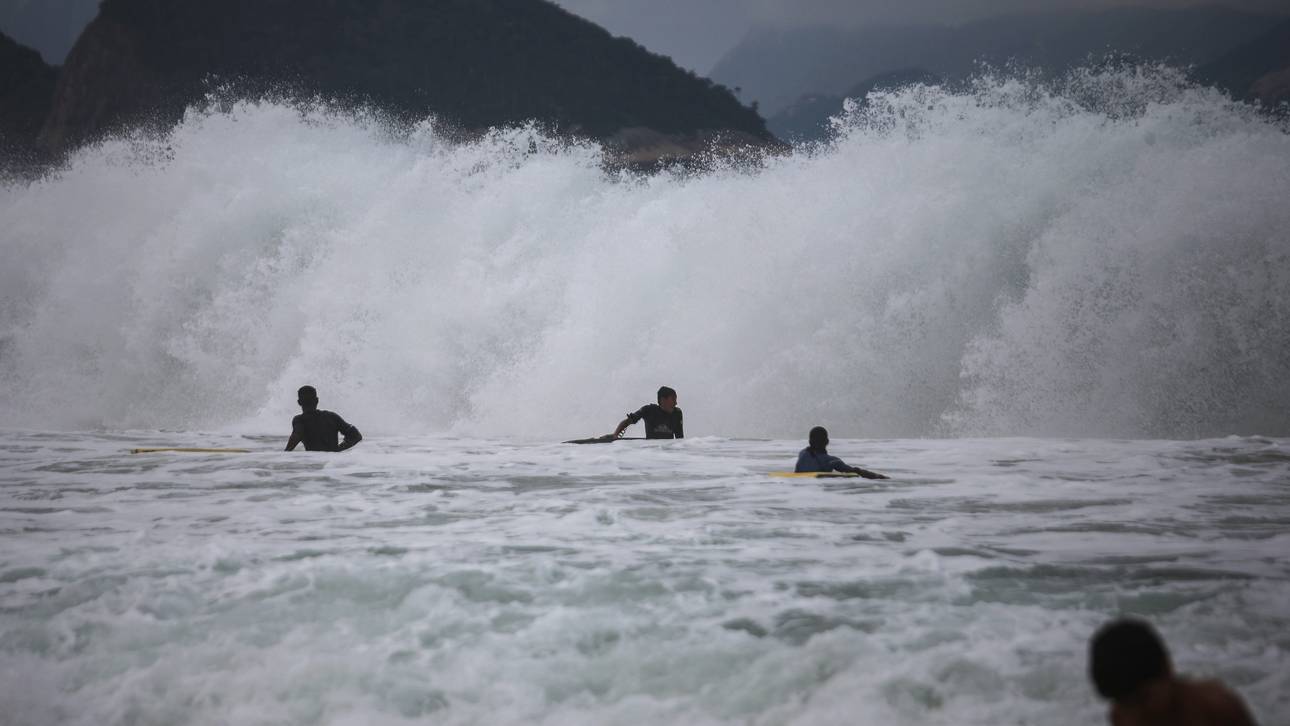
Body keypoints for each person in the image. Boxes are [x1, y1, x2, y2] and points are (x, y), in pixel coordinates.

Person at [1089, 618, 1258, 726]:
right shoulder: (1120, 715)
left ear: (1167, 669)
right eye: (1124, 703)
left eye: (1142, 698)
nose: (1136, 712)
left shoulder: (1216, 707)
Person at [285, 385, 362, 452]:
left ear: (299, 402)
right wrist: (338, 449)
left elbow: (297, 435)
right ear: (317, 400)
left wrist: (285, 453)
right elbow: (356, 436)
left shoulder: (300, 420)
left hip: (314, 463)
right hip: (331, 464)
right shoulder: (332, 417)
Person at [794, 426, 887, 478]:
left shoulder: (802, 454)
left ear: (810, 441)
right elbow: (855, 472)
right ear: (827, 442)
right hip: (819, 489)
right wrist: (879, 477)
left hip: (800, 487)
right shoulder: (831, 461)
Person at [611, 386, 683, 439]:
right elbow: (628, 421)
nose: (676, 403)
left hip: (669, 453)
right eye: (673, 399)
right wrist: (615, 435)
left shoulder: (677, 413)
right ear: (663, 400)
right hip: (652, 452)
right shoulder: (649, 410)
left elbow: (679, 438)